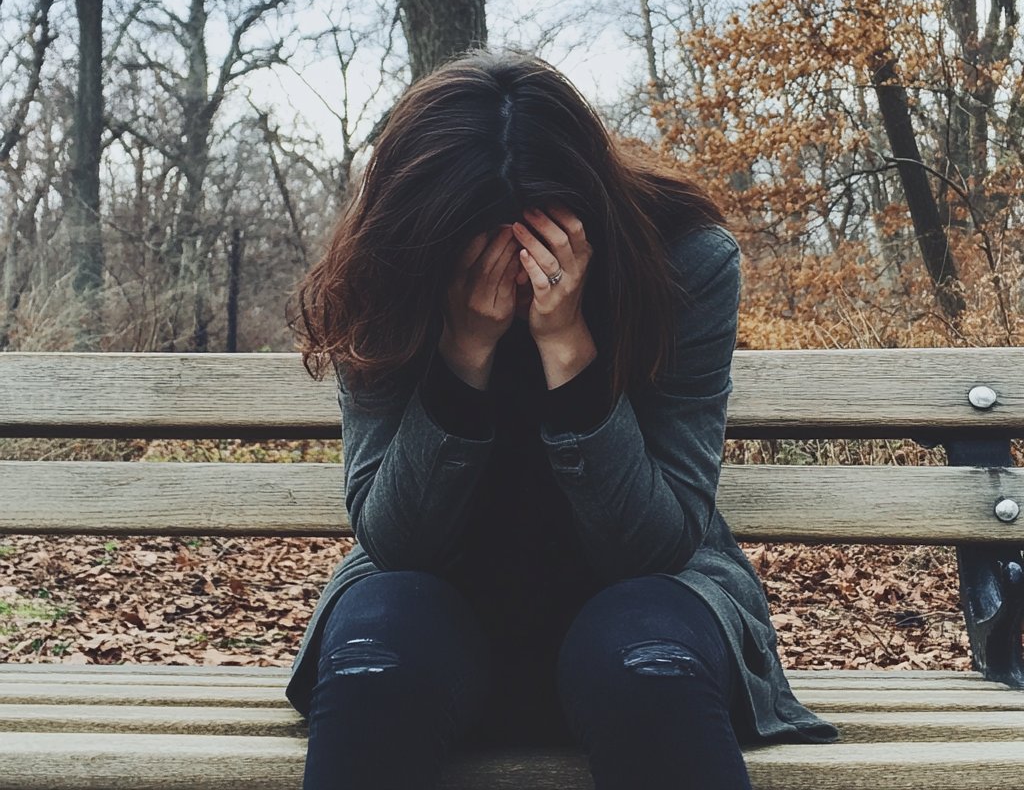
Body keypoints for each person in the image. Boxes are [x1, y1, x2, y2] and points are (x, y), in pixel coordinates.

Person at [284, 49, 838, 790]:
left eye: (538, 240)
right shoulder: (388, 265)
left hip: (650, 600)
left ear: (590, 211)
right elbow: (395, 543)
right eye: (480, 250)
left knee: (647, 667)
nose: (513, 270)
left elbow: (656, 544)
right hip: (432, 608)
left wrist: (569, 351)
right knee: (375, 662)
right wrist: (463, 356)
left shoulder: (682, 261)